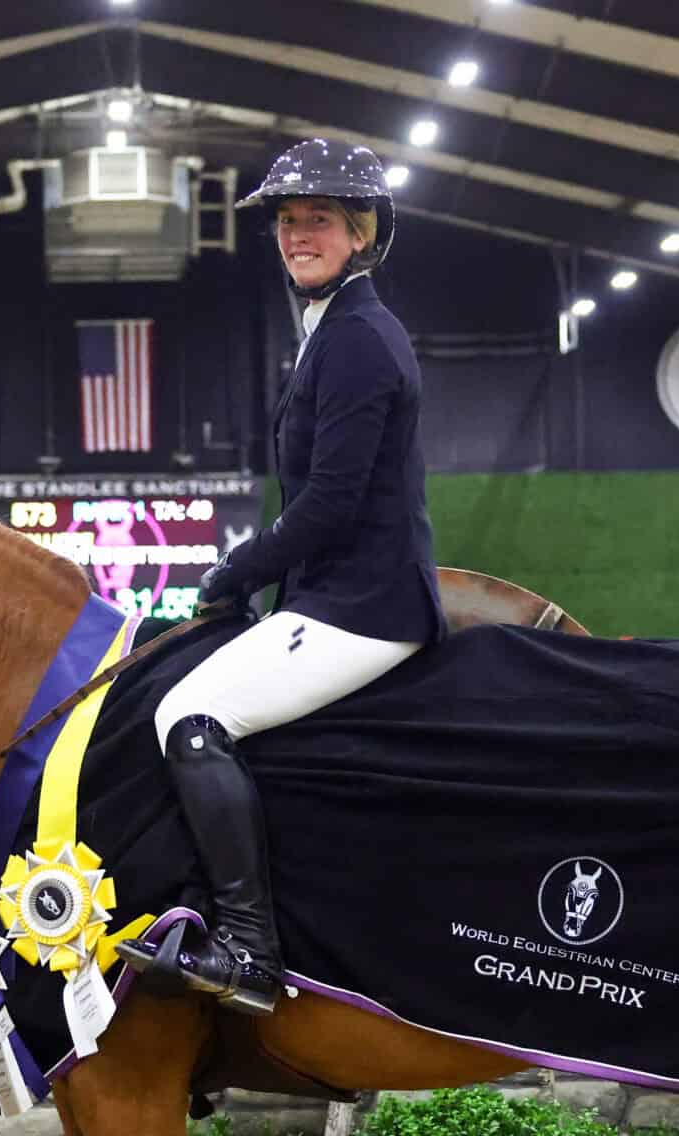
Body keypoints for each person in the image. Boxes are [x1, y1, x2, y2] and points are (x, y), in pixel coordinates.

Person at [118, 139, 444, 1014]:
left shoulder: (362, 339)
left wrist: (235, 566)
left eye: (320, 220)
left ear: (362, 232)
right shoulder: (328, 330)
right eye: (289, 221)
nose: (299, 234)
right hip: (329, 594)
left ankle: (253, 949)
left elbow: (332, 504)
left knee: (190, 716)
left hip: (366, 604)